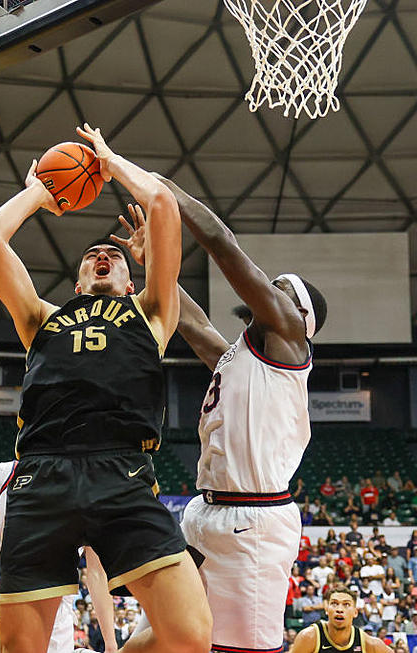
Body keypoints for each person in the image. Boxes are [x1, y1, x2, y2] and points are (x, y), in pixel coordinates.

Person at [0, 124, 210, 653]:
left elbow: (163, 205)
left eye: (115, 255)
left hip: (122, 471)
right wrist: (41, 191)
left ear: (132, 281)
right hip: (42, 474)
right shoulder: (40, 318)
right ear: (78, 285)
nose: (103, 254)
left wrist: (107, 160)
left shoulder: (151, 311)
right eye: (91, 256)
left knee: (192, 640)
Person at [114, 173, 325, 653]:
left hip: (253, 525)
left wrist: (165, 192)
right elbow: (191, 322)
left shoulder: (290, 344)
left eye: (278, 291)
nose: (265, 292)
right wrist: (155, 266)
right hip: (205, 514)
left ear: (299, 317)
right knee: (158, 640)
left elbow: (221, 242)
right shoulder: (238, 357)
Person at [0, 461, 116, 653]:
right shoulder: (6, 472)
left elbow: (97, 573)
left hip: (55, 605)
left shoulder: (88, 480)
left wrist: (111, 644)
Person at [287, 585, 394, 653]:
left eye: (346, 604)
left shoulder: (368, 643)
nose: (339, 609)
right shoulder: (309, 637)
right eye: (334, 603)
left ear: (355, 612)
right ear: (326, 610)